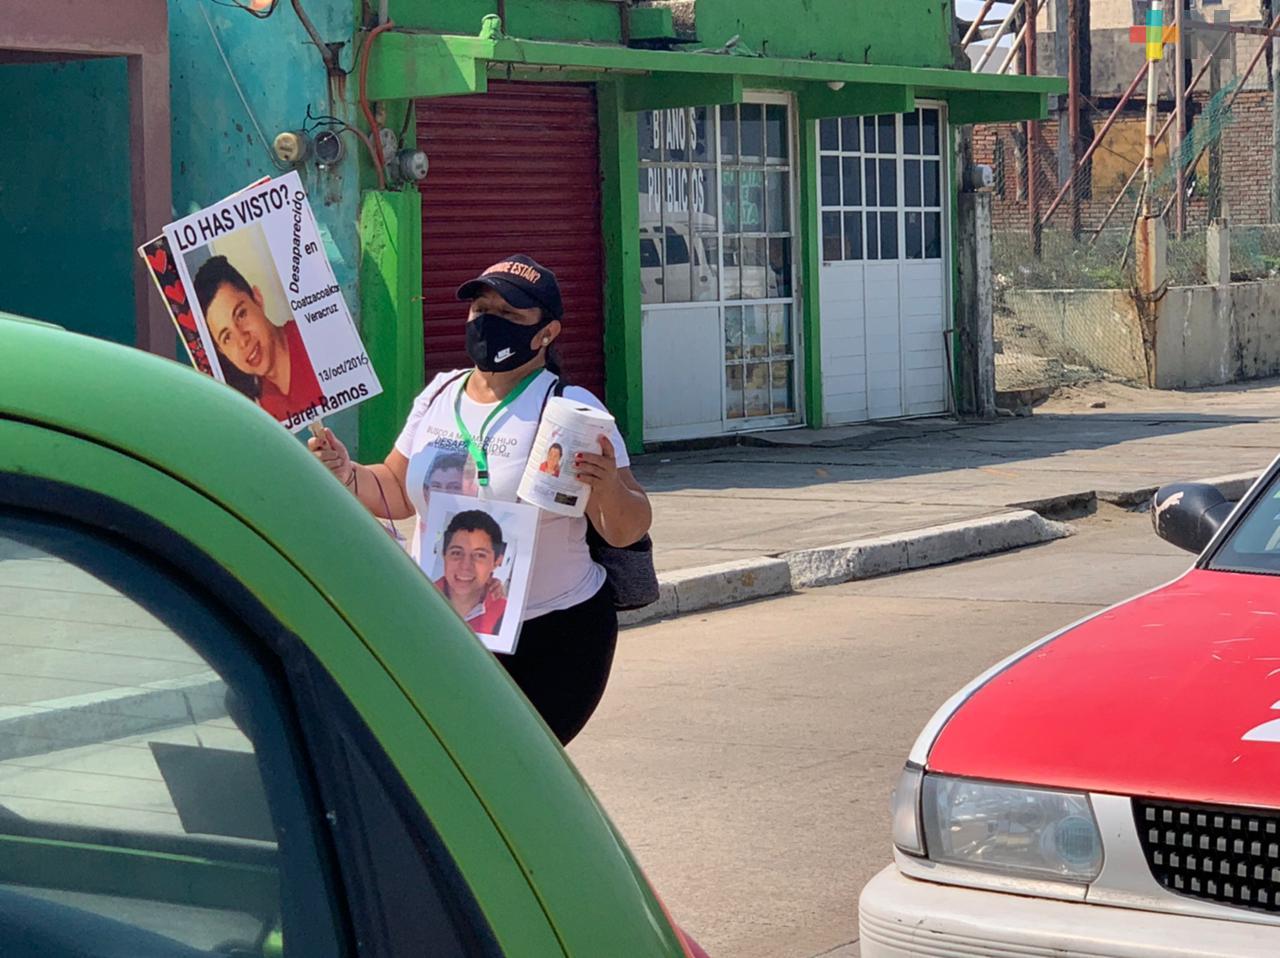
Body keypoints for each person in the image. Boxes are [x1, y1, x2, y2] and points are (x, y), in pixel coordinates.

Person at [309, 253, 652, 745]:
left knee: (511, 774)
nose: (488, 322)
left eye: (509, 315)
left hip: (552, 638)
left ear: (547, 333)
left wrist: (606, 485)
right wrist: (346, 472)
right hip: (447, 630)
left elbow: (628, 526)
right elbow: (394, 490)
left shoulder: (570, 409)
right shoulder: (438, 395)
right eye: (480, 309)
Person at [193, 255, 324, 421]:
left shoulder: (314, 339)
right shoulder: (262, 411)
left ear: (257, 299)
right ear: (221, 351)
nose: (242, 340)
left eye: (241, 314)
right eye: (226, 337)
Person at [435, 510, 509, 636]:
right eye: (457, 553)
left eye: (479, 555)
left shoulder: (506, 614)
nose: (465, 566)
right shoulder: (420, 598)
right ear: (444, 554)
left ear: (496, 562)